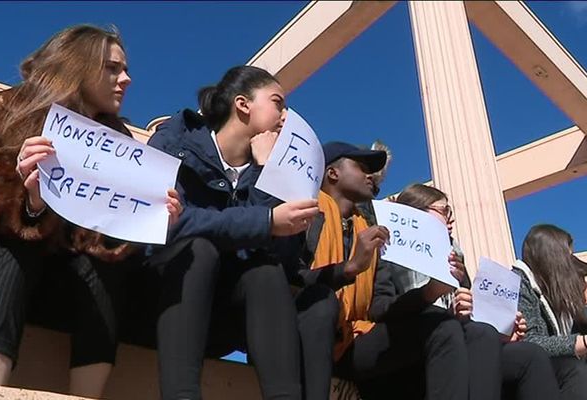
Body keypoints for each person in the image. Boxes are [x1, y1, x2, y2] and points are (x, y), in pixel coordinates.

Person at [0, 25, 181, 398]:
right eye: (112, 68)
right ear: (77, 66)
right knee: (15, 251)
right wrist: (29, 203)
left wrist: (151, 222)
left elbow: (107, 241)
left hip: (74, 292)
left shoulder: (120, 145)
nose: (126, 79)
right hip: (5, 274)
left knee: (101, 266)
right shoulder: (10, 111)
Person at [148, 65, 321, 400]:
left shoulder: (274, 168)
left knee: (266, 271)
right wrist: (267, 221)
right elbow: (172, 223)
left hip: (226, 313)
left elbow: (275, 257)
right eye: (278, 103)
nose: (285, 117)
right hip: (163, 295)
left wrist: (264, 174)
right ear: (243, 105)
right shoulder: (176, 139)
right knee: (199, 248)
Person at [299, 141, 481, 400]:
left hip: (356, 338)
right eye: (362, 167)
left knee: (444, 328)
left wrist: (430, 292)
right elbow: (293, 280)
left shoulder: (373, 234)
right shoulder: (305, 213)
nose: (371, 176)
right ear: (332, 173)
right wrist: (349, 268)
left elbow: (379, 308)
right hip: (308, 334)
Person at [396, 183, 559, 400]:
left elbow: (469, 313)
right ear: (417, 212)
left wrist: (504, 328)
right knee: (480, 335)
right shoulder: (399, 250)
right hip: (421, 343)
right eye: (445, 211)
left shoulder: (455, 255)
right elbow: (408, 306)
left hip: (468, 339)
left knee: (531, 355)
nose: (451, 219)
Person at [514, 224, 587, 399]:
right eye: (567, 257)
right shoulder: (519, 283)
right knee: (573, 369)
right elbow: (531, 342)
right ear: (553, 257)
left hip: (558, 367)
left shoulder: (556, 294)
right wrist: (583, 342)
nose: (571, 264)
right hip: (535, 371)